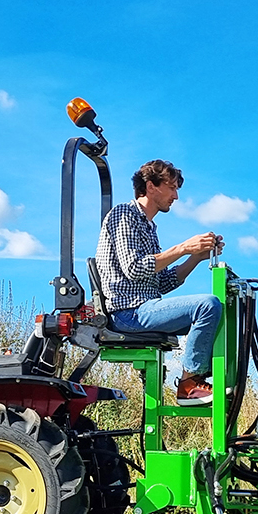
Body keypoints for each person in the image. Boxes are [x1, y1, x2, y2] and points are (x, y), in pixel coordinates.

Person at [95, 159, 223, 406]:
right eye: (172, 188)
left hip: (145, 307)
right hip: (128, 312)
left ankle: (206, 381)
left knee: (220, 312)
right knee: (207, 305)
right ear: (151, 186)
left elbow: (161, 283)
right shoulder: (124, 214)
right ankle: (189, 385)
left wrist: (195, 256)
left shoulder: (149, 226)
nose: (175, 196)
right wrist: (183, 247)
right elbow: (134, 268)